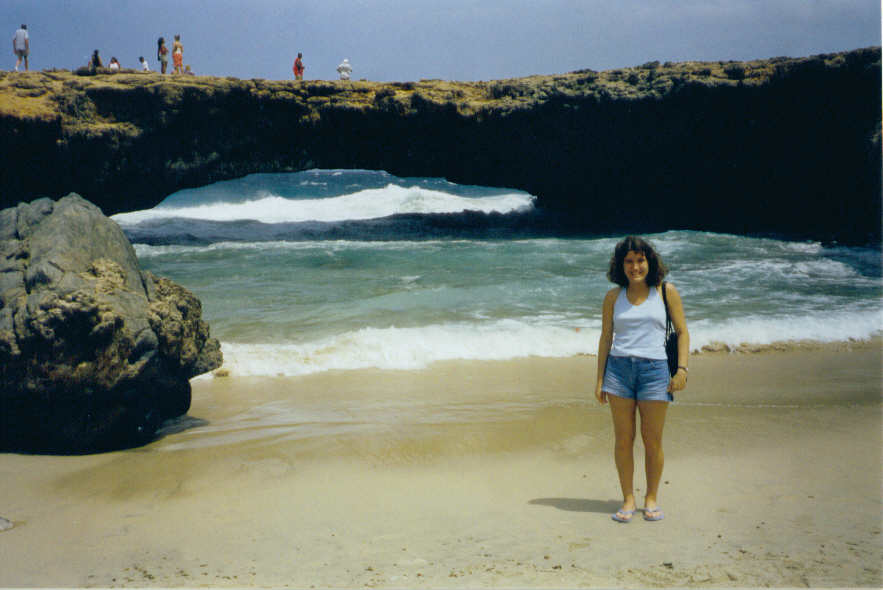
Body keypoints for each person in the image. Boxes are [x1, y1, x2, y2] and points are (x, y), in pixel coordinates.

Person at [595, 235, 689, 523]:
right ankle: (628, 499)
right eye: (629, 261)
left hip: (655, 370)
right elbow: (606, 337)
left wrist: (682, 370)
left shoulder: (665, 291)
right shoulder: (613, 297)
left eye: (640, 260)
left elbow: (683, 332)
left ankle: (651, 498)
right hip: (619, 371)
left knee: (652, 440)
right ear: (620, 265)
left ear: (649, 261)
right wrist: (599, 379)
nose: (635, 266)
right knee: (623, 439)